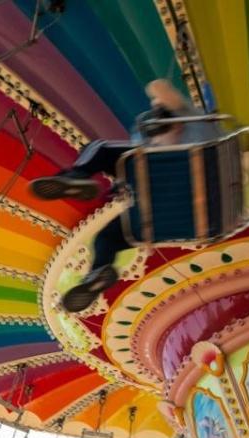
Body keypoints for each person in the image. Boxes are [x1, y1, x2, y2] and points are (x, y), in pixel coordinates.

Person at [30, 79, 222, 313]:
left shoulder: (194, 124)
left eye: (163, 127)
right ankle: (97, 274)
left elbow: (160, 87)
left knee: (101, 149)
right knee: (105, 238)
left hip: (174, 196)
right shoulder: (163, 144)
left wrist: (162, 101)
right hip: (179, 214)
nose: (159, 136)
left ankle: (75, 175)